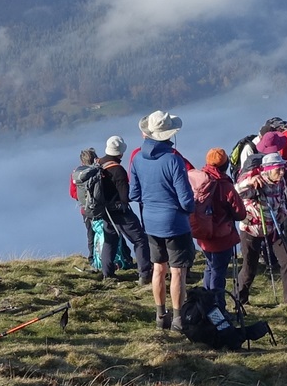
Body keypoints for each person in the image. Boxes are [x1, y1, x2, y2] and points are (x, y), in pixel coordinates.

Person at [129, 110, 197, 329]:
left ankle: (161, 316)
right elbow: (186, 199)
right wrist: (189, 209)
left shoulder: (138, 158)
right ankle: (178, 318)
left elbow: (134, 194)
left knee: (158, 268)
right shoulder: (174, 160)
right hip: (175, 222)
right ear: (169, 135)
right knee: (178, 271)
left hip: (150, 221)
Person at [231, 151, 287, 306]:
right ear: (268, 169)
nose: (282, 172)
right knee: (250, 267)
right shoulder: (256, 184)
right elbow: (234, 192)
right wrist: (248, 182)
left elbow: (282, 200)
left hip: (273, 228)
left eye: (283, 168)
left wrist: (283, 212)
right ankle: (239, 299)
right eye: (279, 169)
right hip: (251, 230)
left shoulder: (281, 182)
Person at [84, 136, 150, 286]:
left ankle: (108, 274)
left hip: (105, 212)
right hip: (120, 212)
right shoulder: (117, 170)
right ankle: (145, 274)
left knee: (110, 240)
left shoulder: (98, 165)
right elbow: (125, 196)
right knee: (139, 239)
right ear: (120, 153)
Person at [190, 148, 249, 305]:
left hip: (203, 234)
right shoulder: (225, 186)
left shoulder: (201, 180)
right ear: (225, 165)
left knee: (210, 268)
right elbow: (240, 213)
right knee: (218, 271)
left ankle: (206, 302)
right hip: (221, 236)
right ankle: (217, 306)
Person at [69, 148, 101, 257]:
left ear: (82, 161)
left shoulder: (76, 173)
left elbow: (73, 193)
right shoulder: (99, 171)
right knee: (105, 232)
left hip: (85, 209)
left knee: (90, 234)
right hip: (100, 208)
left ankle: (92, 258)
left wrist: (83, 199)